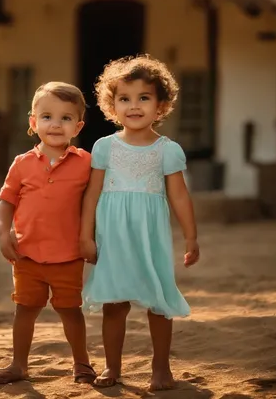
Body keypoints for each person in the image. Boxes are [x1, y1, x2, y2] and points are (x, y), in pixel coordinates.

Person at [80, 55, 200, 391]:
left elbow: (179, 196)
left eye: (143, 98)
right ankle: (112, 367)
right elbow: (91, 195)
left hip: (151, 237)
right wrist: (85, 236)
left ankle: (161, 369)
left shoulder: (168, 150)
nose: (134, 106)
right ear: (112, 106)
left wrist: (192, 238)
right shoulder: (104, 147)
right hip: (113, 236)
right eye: (124, 99)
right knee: (115, 304)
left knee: (159, 303)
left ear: (160, 107)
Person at [0, 82, 96, 385]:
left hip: (68, 255)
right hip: (26, 253)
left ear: (78, 126)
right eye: (47, 116)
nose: (56, 124)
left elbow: (99, 200)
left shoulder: (86, 163)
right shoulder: (21, 164)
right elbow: (6, 201)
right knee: (25, 309)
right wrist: (2, 231)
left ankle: (82, 364)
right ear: (33, 123)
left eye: (65, 118)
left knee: (70, 310)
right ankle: (18, 364)